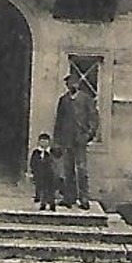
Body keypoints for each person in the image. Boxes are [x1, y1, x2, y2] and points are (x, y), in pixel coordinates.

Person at [53, 72, 98, 209]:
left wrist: (89, 134)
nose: (71, 85)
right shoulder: (63, 100)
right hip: (67, 139)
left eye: (74, 82)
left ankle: (84, 199)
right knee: (68, 170)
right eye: (68, 83)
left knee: (81, 169)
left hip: (80, 139)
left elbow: (94, 118)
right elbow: (59, 122)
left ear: (78, 84)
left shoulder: (86, 99)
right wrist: (57, 141)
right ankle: (69, 198)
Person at [28, 132, 58, 211]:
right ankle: (43, 203)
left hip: (50, 174)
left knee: (51, 190)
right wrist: (33, 172)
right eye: (42, 141)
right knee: (42, 189)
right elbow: (33, 163)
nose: (43, 143)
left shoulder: (52, 152)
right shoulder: (36, 152)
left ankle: (52, 204)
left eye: (45, 141)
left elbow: (56, 160)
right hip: (40, 174)